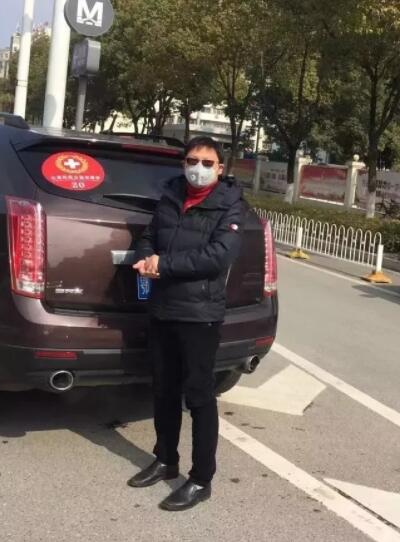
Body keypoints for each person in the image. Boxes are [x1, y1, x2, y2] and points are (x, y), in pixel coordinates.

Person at [128, 137, 246, 511]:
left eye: (207, 163)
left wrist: (163, 265)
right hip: (163, 308)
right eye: (192, 160)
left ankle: (200, 479)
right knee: (163, 389)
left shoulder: (230, 205)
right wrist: (146, 259)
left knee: (198, 397)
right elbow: (149, 237)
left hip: (199, 314)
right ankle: (165, 459)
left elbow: (217, 256)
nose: (198, 168)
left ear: (220, 168)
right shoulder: (171, 196)